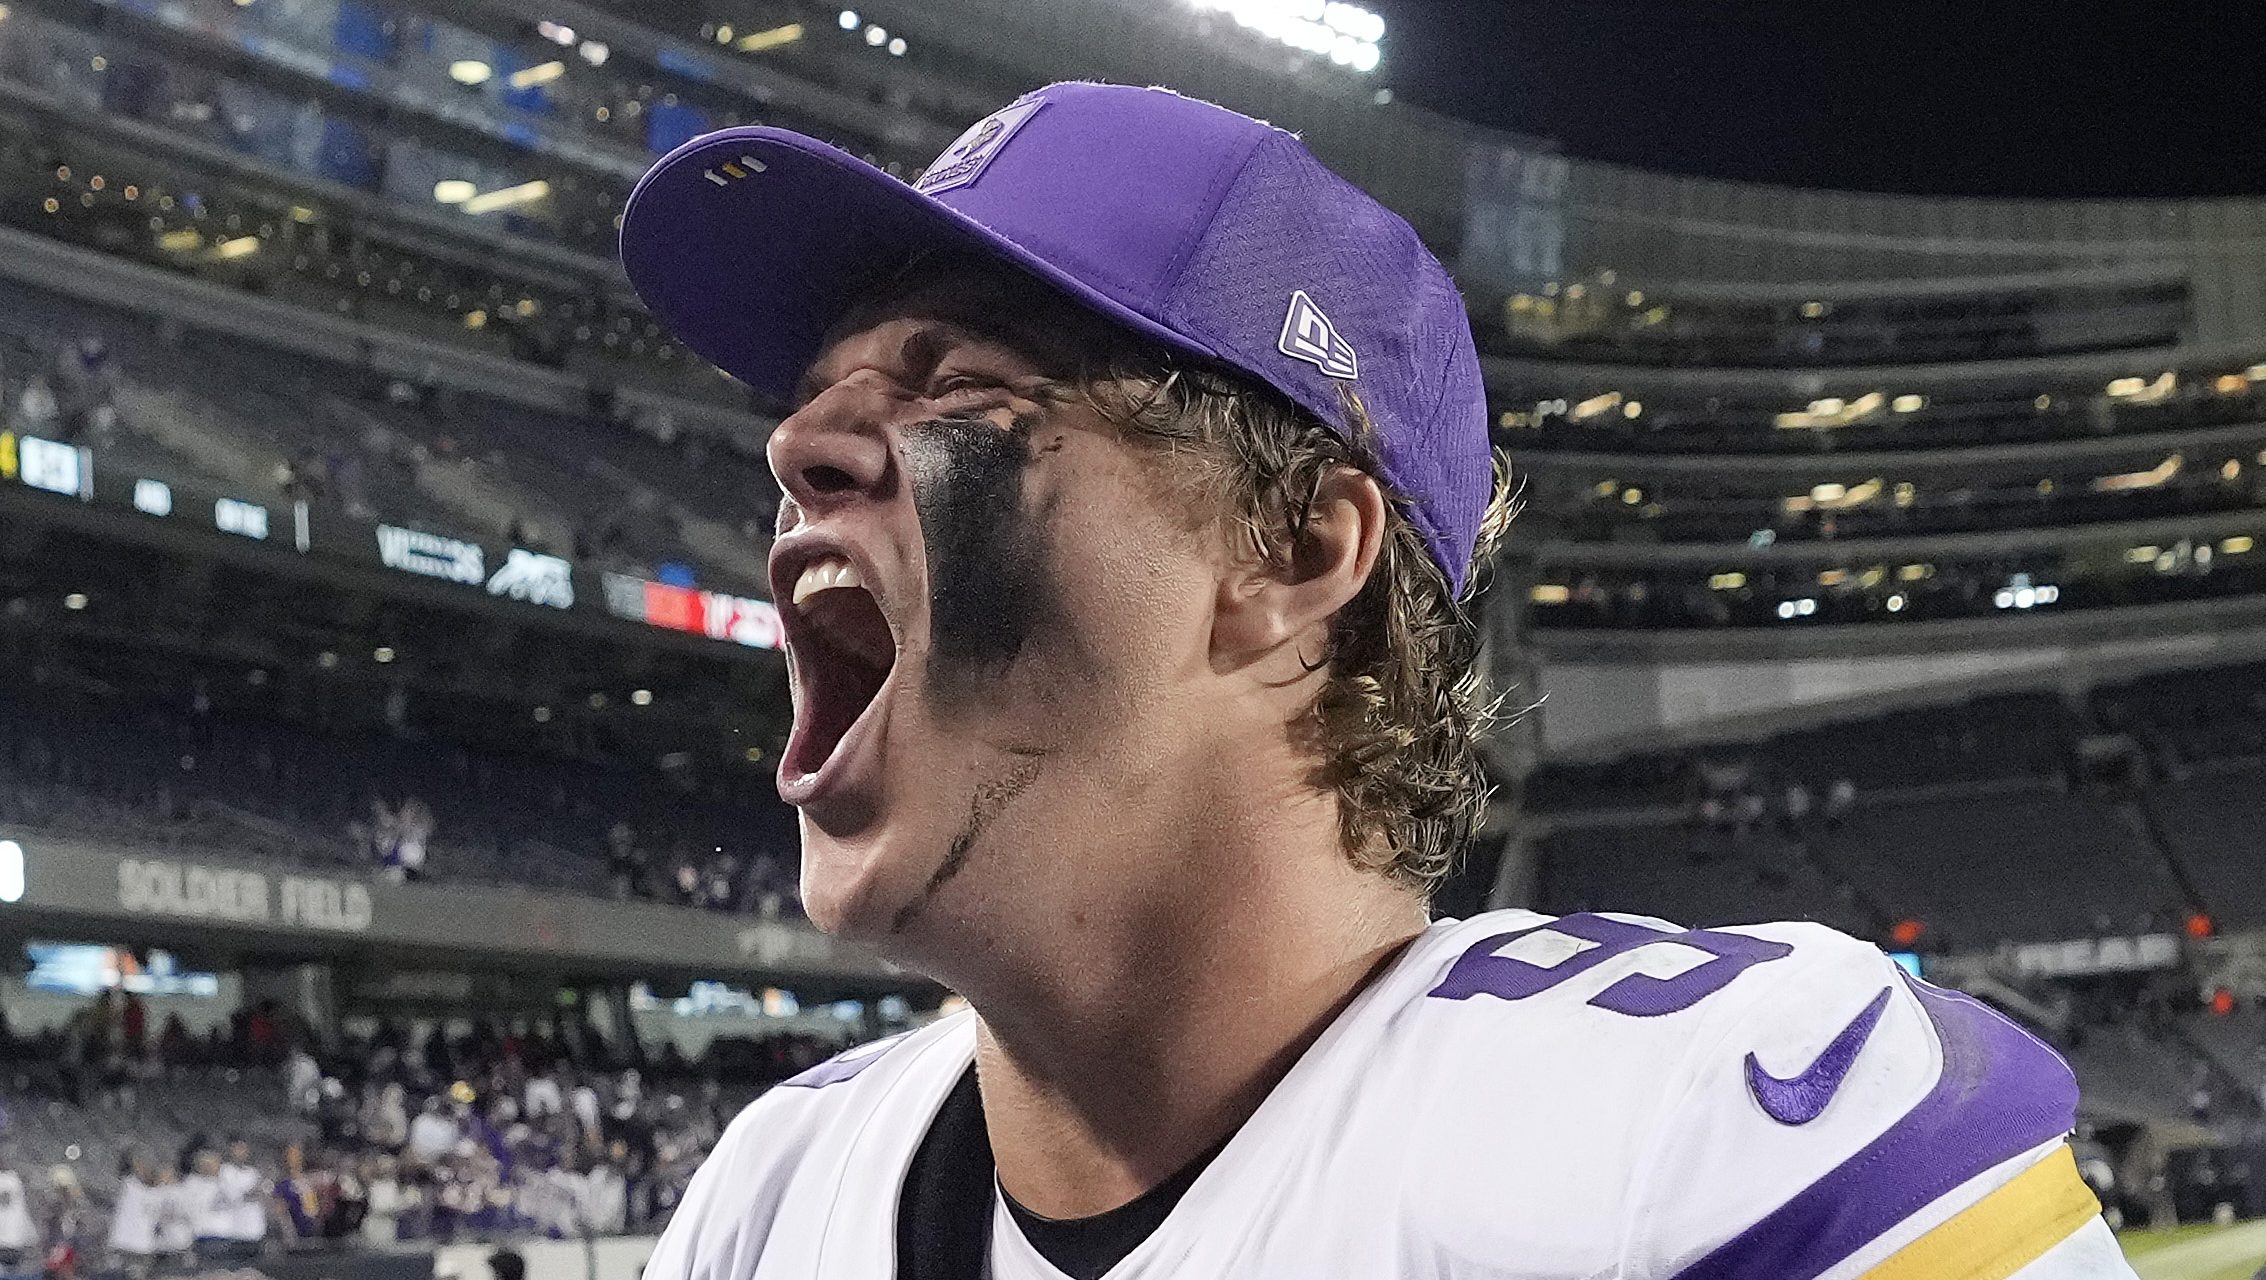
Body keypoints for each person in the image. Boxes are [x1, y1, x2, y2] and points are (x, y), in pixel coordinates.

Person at [622, 82, 2131, 1278]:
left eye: (954, 386)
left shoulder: (1720, 1141)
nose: (795, 449)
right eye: (811, 399)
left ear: (1290, 549)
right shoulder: (773, 1195)